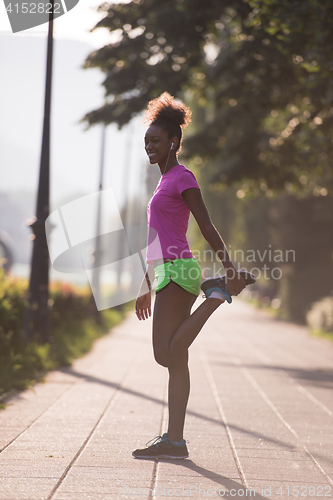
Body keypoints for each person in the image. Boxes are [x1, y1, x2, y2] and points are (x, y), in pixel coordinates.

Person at [132, 92, 246, 460]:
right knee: (176, 361)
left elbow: (207, 226)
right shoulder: (163, 183)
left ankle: (215, 295)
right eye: (147, 140)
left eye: (156, 140)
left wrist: (229, 270)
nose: (149, 146)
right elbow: (154, 241)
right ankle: (175, 441)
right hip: (166, 271)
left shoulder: (183, 177)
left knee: (164, 354)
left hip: (180, 269)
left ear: (174, 143)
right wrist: (145, 286)